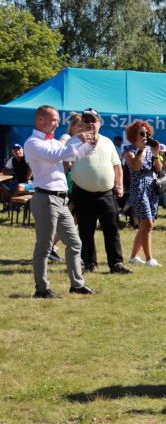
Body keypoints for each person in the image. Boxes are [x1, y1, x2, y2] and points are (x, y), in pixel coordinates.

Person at [22, 105, 99, 298]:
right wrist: (78, 140)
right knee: (44, 247)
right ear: (40, 119)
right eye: (54, 120)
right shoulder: (32, 143)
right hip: (46, 197)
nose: (57, 124)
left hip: (61, 199)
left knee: (75, 243)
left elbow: (74, 156)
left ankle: (77, 285)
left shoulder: (54, 142)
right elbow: (56, 156)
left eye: (57, 120)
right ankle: (42, 289)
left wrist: (90, 144)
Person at [67, 109, 132, 275]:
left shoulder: (107, 142)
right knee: (86, 231)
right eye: (86, 120)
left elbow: (117, 165)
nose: (90, 123)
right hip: (82, 192)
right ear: (82, 123)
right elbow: (65, 163)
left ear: (99, 123)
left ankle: (116, 264)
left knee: (112, 230)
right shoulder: (74, 141)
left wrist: (119, 185)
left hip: (106, 193)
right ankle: (89, 263)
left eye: (93, 120)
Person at [123, 120, 163, 266]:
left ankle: (134, 257)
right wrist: (140, 149)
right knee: (148, 223)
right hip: (139, 186)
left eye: (147, 133)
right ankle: (149, 259)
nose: (145, 136)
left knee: (144, 225)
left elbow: (158, 169)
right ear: (134, 134)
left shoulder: (150, 148)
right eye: (142, 133)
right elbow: (136, 167)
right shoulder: (129, 149)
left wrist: (156, 153)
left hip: (151, 186)